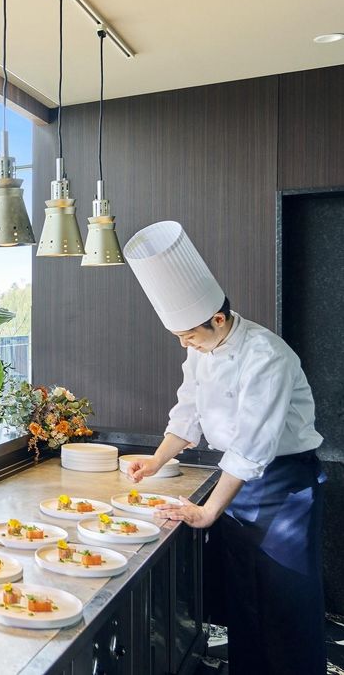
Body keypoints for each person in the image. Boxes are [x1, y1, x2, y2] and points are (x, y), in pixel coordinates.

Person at [123, 221, 326, 675]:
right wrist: (156, 460)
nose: (185, 344)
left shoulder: (266, 355)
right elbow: (188, 412)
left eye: (189, 335)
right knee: (246, 599)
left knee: (286, 601)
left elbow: (252, 446)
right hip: (236, 485)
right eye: (179, 337)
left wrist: (209, 511)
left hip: (284, 487)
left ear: (218, 319)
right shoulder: (201, 348)